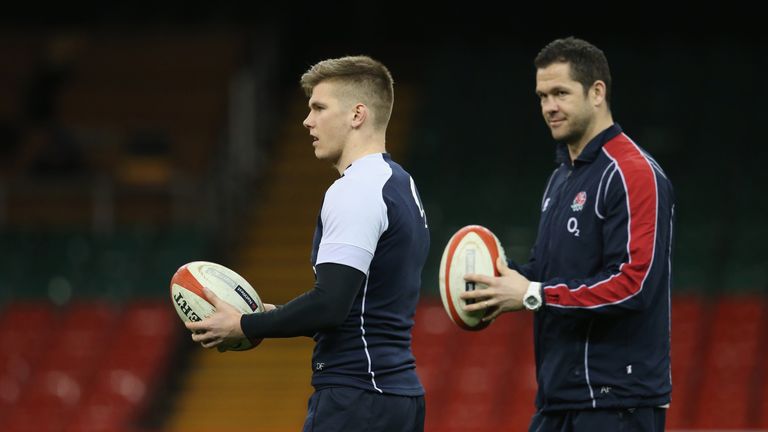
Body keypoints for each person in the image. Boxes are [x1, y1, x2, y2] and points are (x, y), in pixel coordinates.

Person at [186, 55, 429, 432]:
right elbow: (360, 308)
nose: (307, 120)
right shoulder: (400, 184)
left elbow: (331, 306)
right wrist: (271, 313)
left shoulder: (355, 190)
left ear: (357, 115)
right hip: (395, 395)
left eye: (319, 107)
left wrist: (246, 324)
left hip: (357, 397)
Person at [462, 37, 674, 431]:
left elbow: (634, 284)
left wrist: (531, 294)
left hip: (618, 403)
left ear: (597, 92)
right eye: (542, 96)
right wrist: (499, 277)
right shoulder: (560, 179)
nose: (549, 107)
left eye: (560, 93)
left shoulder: (632, 173)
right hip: (558, 400)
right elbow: (543, 274)